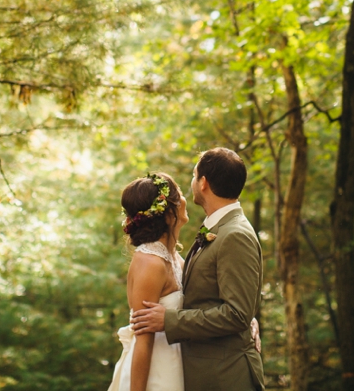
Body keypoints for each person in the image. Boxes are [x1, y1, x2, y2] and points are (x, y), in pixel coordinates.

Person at [131, 148, 266, 391]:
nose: (191, 183)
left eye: (194, 176)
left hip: (225, 377)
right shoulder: (218, 229)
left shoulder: (234, 235)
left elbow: (236, 313)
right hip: (201, 373)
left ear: (203, 183)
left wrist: (169, 320)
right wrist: (247, 318)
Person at [108, 172, 187, 391]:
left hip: (175, 367)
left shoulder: (174, 258)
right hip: (154, 376)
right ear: (169, 214)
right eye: (178, 194)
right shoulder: (149, 262)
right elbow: (143, 340)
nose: (183, 199)